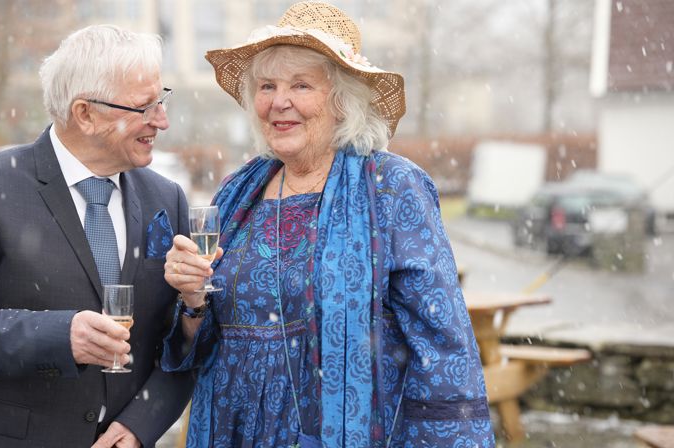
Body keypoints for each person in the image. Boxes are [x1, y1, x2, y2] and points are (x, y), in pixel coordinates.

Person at [161, 2, 494, 447]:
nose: (280, 102)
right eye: (267, 86)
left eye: (301, 85)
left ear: (343, 101)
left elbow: (442, 346)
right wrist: (193, 301)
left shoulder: (392, 188)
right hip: (232, 431)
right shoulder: (237, 191)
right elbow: (199, 347)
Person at [0, 24, 193, 448]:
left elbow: (180, 344)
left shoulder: (166, 198)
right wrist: (60, 337)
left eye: (161, 100)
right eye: (144, 107)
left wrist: (140, 425)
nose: (162, 120)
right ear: (85, 114)